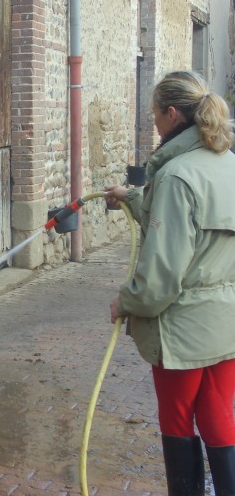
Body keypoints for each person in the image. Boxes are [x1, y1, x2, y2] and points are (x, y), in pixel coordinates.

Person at [106, 70, 235, 496]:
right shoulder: (228, 164)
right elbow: (193, 229)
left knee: (178, 420)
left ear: (172, 113)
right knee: (219, 416)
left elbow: (161, 279)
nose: (154, 124)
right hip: (226, 323)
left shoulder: (177, 175)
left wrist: (127, 301)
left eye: (155, 115)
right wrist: (134, 198)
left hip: (181, 330)